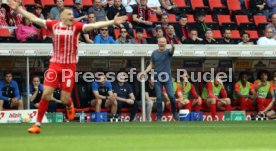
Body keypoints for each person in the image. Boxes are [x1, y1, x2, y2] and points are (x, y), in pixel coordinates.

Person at [6, 0, 127, 134]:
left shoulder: (77, 26)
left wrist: (111, 22)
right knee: (46, 94)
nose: (71, 16)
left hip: (69, 67)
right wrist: (19, 9)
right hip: (55, 64)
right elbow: (34, 18)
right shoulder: (54, 25)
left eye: (72, 14)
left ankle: (69, 104)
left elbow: (94, 25)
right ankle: (37, 124)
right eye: (69, 14)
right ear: (61, 16)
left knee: (64, 98)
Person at [139, 38, 179, 121]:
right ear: (157, 43)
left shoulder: (168, 52)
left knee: (171, 96)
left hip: (167, 78)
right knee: (159, 98)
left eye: (163, 42)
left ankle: (175, 113)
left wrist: (173, 47)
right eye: (160, 42)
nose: (162, 43)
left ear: (166, 43)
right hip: (157, 78)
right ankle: (159, 116)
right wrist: (145, 71)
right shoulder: (154, 53)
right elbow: (151, 65)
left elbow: (172, 51)